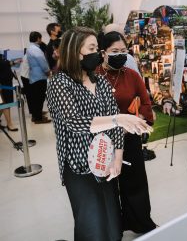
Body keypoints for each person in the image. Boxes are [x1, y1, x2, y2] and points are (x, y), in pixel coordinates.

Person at [47, 26, 152, 241]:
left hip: (105, 160)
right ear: (76, 51)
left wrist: (118, 157)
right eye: (93, 48)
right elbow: (74, 121)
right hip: (78, 165)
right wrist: (118, 119)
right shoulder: (60, 83)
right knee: (91, 223)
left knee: (112, 225)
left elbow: (114, 123)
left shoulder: (100, 82)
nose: (98, 53)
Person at [96, 30, 157, 234]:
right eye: (115, 51)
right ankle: (113, 228)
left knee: (135, 182)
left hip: (129, 139)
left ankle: (140, 223)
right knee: (108, 187)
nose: (120, 55)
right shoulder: (93, 76)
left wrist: (132, 124)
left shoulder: (131, 75)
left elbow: (146, 105)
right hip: (101, 142)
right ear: (103, 52)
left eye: (124, 50)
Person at [27, 31, 51, 124]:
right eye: (40, 38)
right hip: (39, 76)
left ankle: (36, 116)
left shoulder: (31, 48)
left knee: (36, 97)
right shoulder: (36, 49)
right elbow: (42, 62)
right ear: (38, 38)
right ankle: (38, 118)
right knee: (39, 98)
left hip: (34, 76)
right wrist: (48, 71)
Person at [0, 54, 21, 131]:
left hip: (7, 84)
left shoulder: (2, 59)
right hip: (3, 86)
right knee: (5, 104)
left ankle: (9, 123)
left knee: (4, 105)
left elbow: (9, 64)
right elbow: (7, 64)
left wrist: (16, 62)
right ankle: (9, 124)